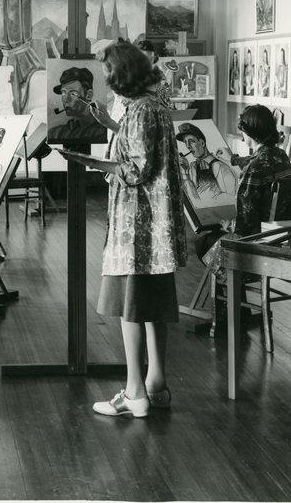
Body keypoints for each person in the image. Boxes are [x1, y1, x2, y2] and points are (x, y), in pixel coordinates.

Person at [60, 41, 187, 418]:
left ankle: (134, 392)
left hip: (138, 228)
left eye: (109, 78)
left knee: (130, 308)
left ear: (123, 77)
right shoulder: (156, 106)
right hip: (156, 228)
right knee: (152, 307)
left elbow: (133, 170)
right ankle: (156, 384)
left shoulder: (138, 110)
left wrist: (91, 162)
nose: (108, 85)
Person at [196, 104, 291, 270]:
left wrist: (228, 224)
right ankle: (233, 289)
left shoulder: (254, 169)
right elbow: (259, 163)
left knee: (204, 242)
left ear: (249, 133)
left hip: (260, 239)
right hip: (283, 235)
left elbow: (245, 225)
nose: (242, 136)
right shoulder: (281, 156)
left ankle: (232, 289)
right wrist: (233, 159)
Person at [175, 122, 237, 199]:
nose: (188, 146)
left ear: (202, 143)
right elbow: (193, 199)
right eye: (185, 143)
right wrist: (185, 173)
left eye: (191, 142)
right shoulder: (192, 167)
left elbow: (231, 198)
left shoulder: (220, 167)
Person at [48, 66, 106, 143]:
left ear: (88, 95)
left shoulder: (102, 132)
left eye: (73, 93)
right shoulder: (54, 133)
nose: (66, 99)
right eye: (63, 92)